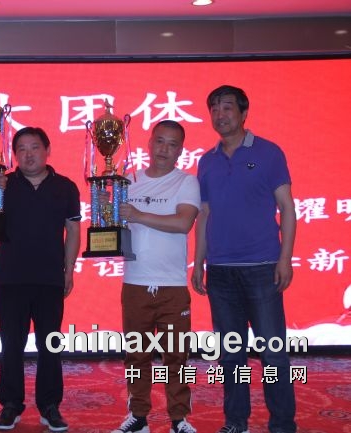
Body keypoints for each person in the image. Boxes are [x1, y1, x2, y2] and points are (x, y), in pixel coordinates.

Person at [190, 85, 297, 433]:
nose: (219, 115)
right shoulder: (207, 161)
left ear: (243, 113)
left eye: (227, 107)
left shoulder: (269, 152)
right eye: (214, 109)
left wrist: (285, 259)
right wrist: (199, 261)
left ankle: (282, 424)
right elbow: (204, 214)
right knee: (231, 354)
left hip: (262, 269)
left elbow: (287, 208)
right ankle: (236, 422)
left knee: (273, 353)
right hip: (221, 272)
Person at [108, 120, 200, 433]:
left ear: (180, 150)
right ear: (149, 143)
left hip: (172, 285)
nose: (164, 149)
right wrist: (107, 209)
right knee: (136, 354)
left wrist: (138, 215)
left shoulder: (186, 182)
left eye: (172, 144)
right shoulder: (128, 180)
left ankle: (179, 419)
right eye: (159, 141)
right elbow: (115, 225)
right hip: (135, 283)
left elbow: (183, 223)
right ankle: (138, 416)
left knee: (177, 354)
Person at [0, 126, 81, 432]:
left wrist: (69, 269)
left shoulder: (65, 187)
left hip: (49, 278)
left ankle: (50, 405)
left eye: (34, 147)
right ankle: (11, 404)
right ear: (15, 155)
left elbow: (73, 230)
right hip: (10, 278)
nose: (28, 155)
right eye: (21, 149)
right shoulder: (4, 184)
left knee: (50, 344)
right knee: (11, 344)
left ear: (47, 150)